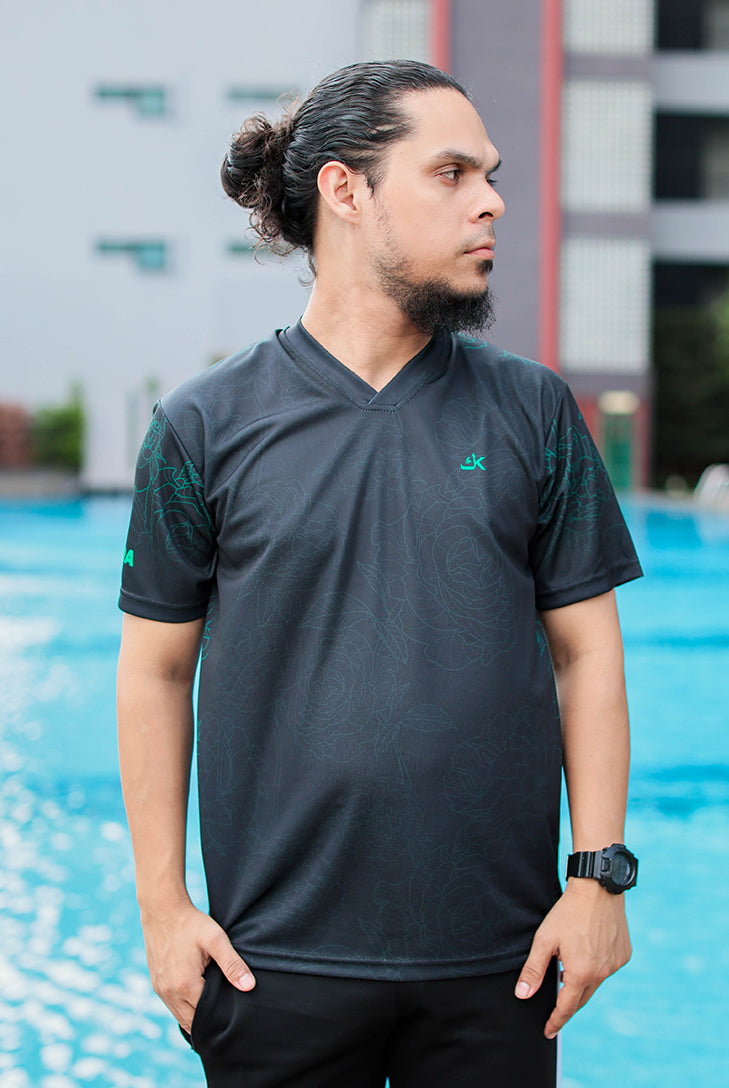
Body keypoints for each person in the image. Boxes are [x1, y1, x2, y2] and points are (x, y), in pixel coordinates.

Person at [117, 59, 642, 1088]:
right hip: (270, 965)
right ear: (345, 191)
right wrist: (163, 908)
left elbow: (586, 655)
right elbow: (155, 671)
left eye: (489, 175)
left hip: (502, 964)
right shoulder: (203, 424)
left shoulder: (533, 410)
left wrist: (598, 879)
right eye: (450, 173)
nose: (490, 201)